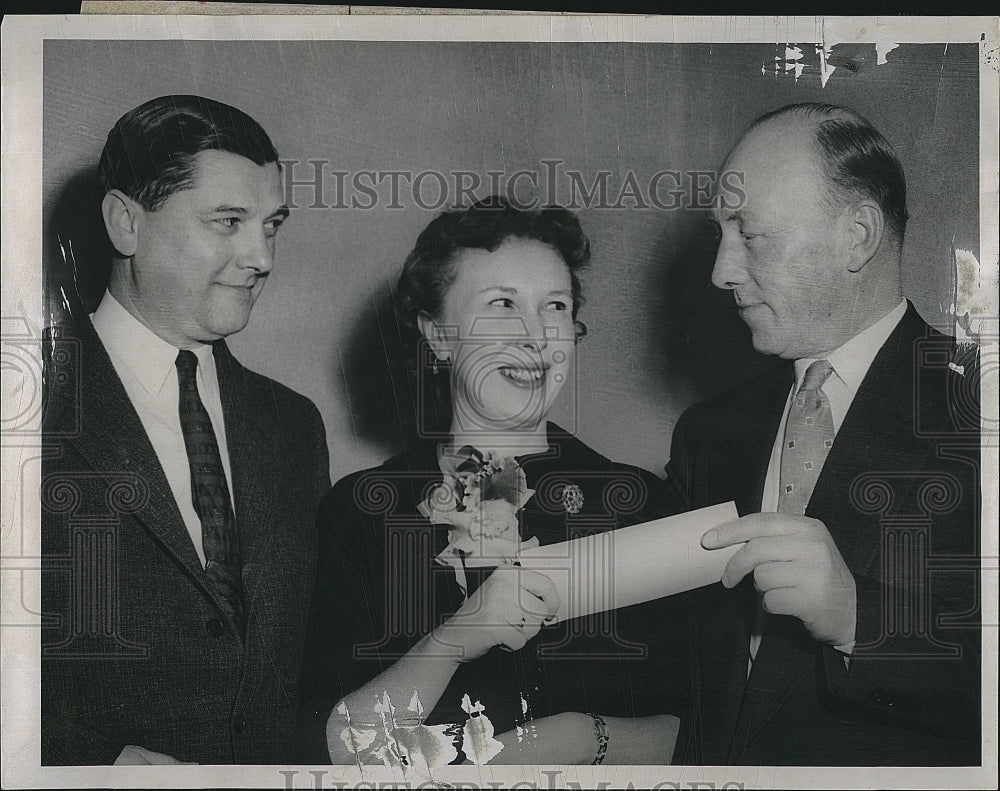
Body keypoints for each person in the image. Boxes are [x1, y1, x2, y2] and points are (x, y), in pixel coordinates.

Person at [298, 196, 685, 766]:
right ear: (438, 336)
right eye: (503, 304)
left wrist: (578, 736)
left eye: (555, 305)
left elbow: (709, 730)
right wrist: (455, 638)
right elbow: (332, 750)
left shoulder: (639, 504)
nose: (535, 336)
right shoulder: (359, 512)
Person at [665, 103, 981, 765]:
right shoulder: (706, 435)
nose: (719, 271)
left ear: (858, 235)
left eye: (748, 234)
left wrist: (858, 616)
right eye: (720, 234)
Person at [40, 95, 331, 765]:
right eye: (227, 221)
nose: (261, 257)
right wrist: (87, 765)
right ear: (125, 223)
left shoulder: (294, 426)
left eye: (272, 225)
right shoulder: (26, 415)